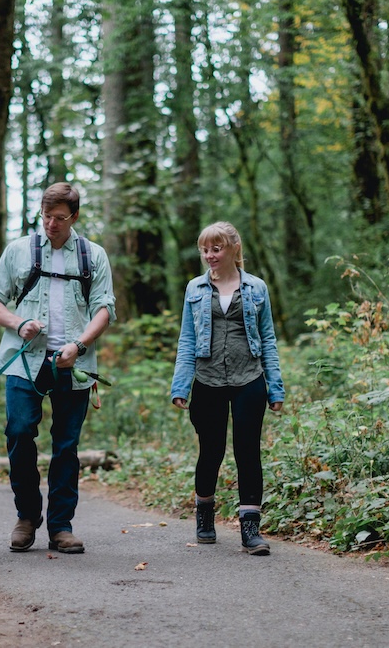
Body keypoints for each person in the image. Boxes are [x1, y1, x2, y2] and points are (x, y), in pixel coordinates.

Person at [0, 182, 116, 554]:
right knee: (20, 433)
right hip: (23, 359)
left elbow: (105, 308)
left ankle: (61, 525)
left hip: (74, 363)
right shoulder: (18, 251)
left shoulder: (94, 256)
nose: (51, 225)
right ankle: (27, 516)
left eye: (59, 218)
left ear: (74, 217)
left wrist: (80, 345)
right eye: (46, 216)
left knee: (66, 446)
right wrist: (18, 323)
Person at [170, 221, 285, 555]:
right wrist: (181, 384)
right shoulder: (194, 288)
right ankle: (205, 514)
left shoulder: (257, 288)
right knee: (211, 450)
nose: (209, 255)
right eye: (205, 249)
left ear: (234, 247)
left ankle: (250, 529)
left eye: (216, 249)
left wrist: (275, 388)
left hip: (249, 377)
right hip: (207, 380)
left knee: (248, 451)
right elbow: (187, 340)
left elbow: (268, 340)